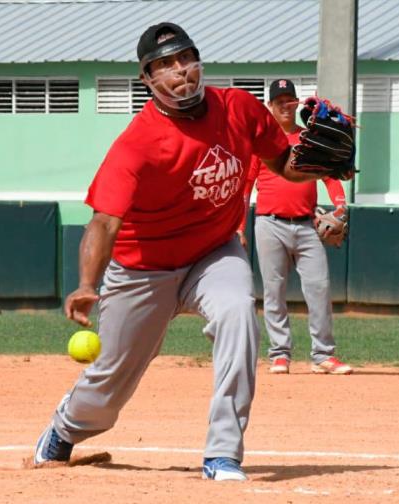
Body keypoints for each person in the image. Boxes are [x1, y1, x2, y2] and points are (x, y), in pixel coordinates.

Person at [32, 22, 324, 481]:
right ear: (147, 80)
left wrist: (319, 163)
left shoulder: (239, 108)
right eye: (164, 65)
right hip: (142, 269)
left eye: (184, 58)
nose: (179, 71)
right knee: (110, 384)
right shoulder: (138, 144)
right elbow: (104, 221)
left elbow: (282, 164)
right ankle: (66, 427)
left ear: (199, 62)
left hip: (214, 251)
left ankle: (222, 455)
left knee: (237, 316)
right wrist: (89, 284)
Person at [238, 79, 353, 376]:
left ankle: (323, 356)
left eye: (290, 100)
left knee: (319, 288)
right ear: (270, 107)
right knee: (274, 292)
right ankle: (279, 354)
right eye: (279, 101)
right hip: (268, 223)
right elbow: (246, 187)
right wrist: (239, 227)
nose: (285, 106)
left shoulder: (309, 141)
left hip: (306, 226)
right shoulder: (262, 143)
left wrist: (340, 204)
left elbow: (329, 178)